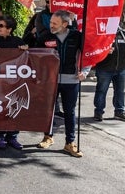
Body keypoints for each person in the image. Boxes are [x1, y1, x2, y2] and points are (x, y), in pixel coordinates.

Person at [34, 9, 90, 157]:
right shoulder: (45, 36)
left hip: (71, 80)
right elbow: (36, 55)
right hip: (50, 81)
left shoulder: (77, 36)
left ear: (65, 24)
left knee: (69, 111)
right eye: (51, 22)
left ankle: (69, 143)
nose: (51, 25)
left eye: (55, 23)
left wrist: (84, 72)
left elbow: (88, 54)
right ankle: (48, 137)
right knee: (49, 109)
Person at [0, 15, 29, 149]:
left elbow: (27, 57)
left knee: (13, 109)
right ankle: (0, 136)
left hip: (13, 83)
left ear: (10, 29)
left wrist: (25, 50)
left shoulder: (17, 41)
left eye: (2, 26)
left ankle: (13, 137)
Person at [93, 27, 125, 122]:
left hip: (121, 68)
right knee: (101, 91)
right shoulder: (102, 32)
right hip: (105, 68)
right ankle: (98, 112)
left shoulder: (124, 34)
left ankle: (119, 112)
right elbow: (94, 48)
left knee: (120, 91)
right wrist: (104, 52)